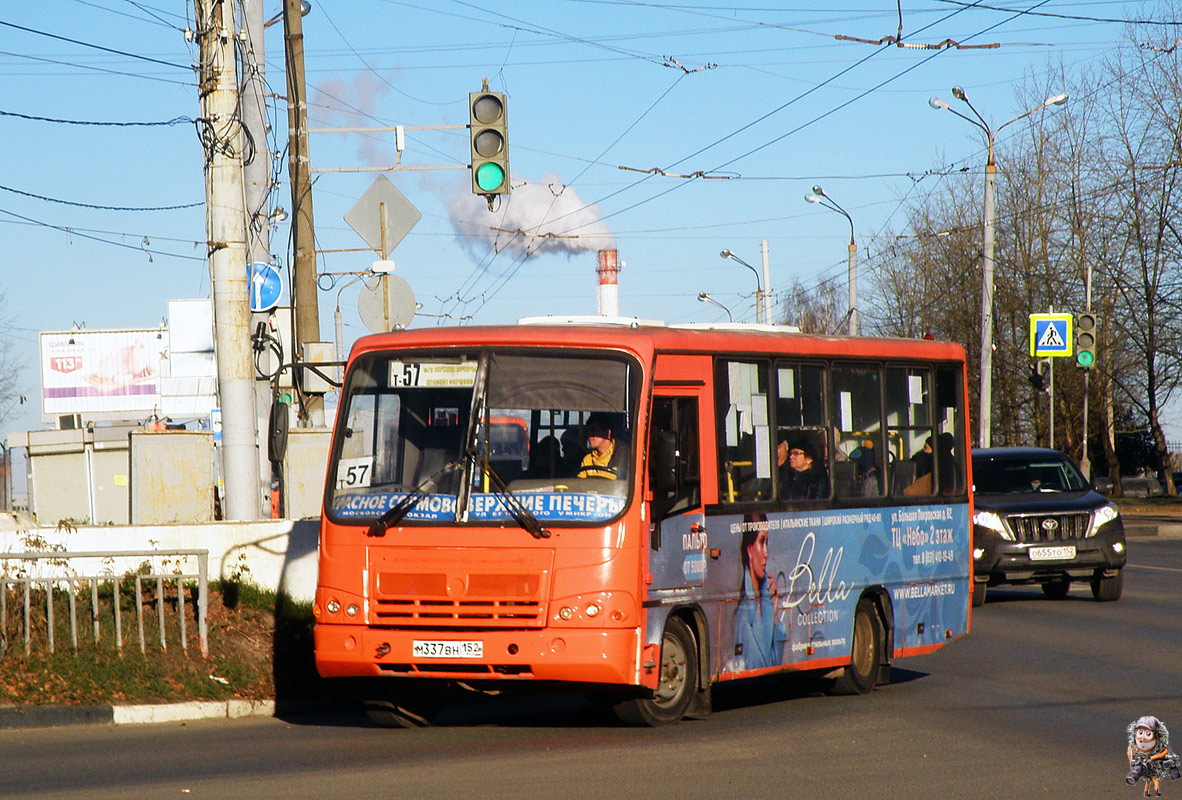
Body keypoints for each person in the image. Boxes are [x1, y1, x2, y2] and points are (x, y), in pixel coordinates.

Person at [733, 514, 785, 670]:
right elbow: (760, 667)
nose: (766, 553)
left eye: (767, 543)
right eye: (761, 542)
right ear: (749, 550)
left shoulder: (766, 601)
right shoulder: (744, 614)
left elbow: (775, 666)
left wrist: (775, 611)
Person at [576, 412, 628, 480]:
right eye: (588, 431)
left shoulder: (623, 455)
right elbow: (580, 484)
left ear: (607, 433)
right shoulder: (588, 459)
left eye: (593, 430)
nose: (590, 435)